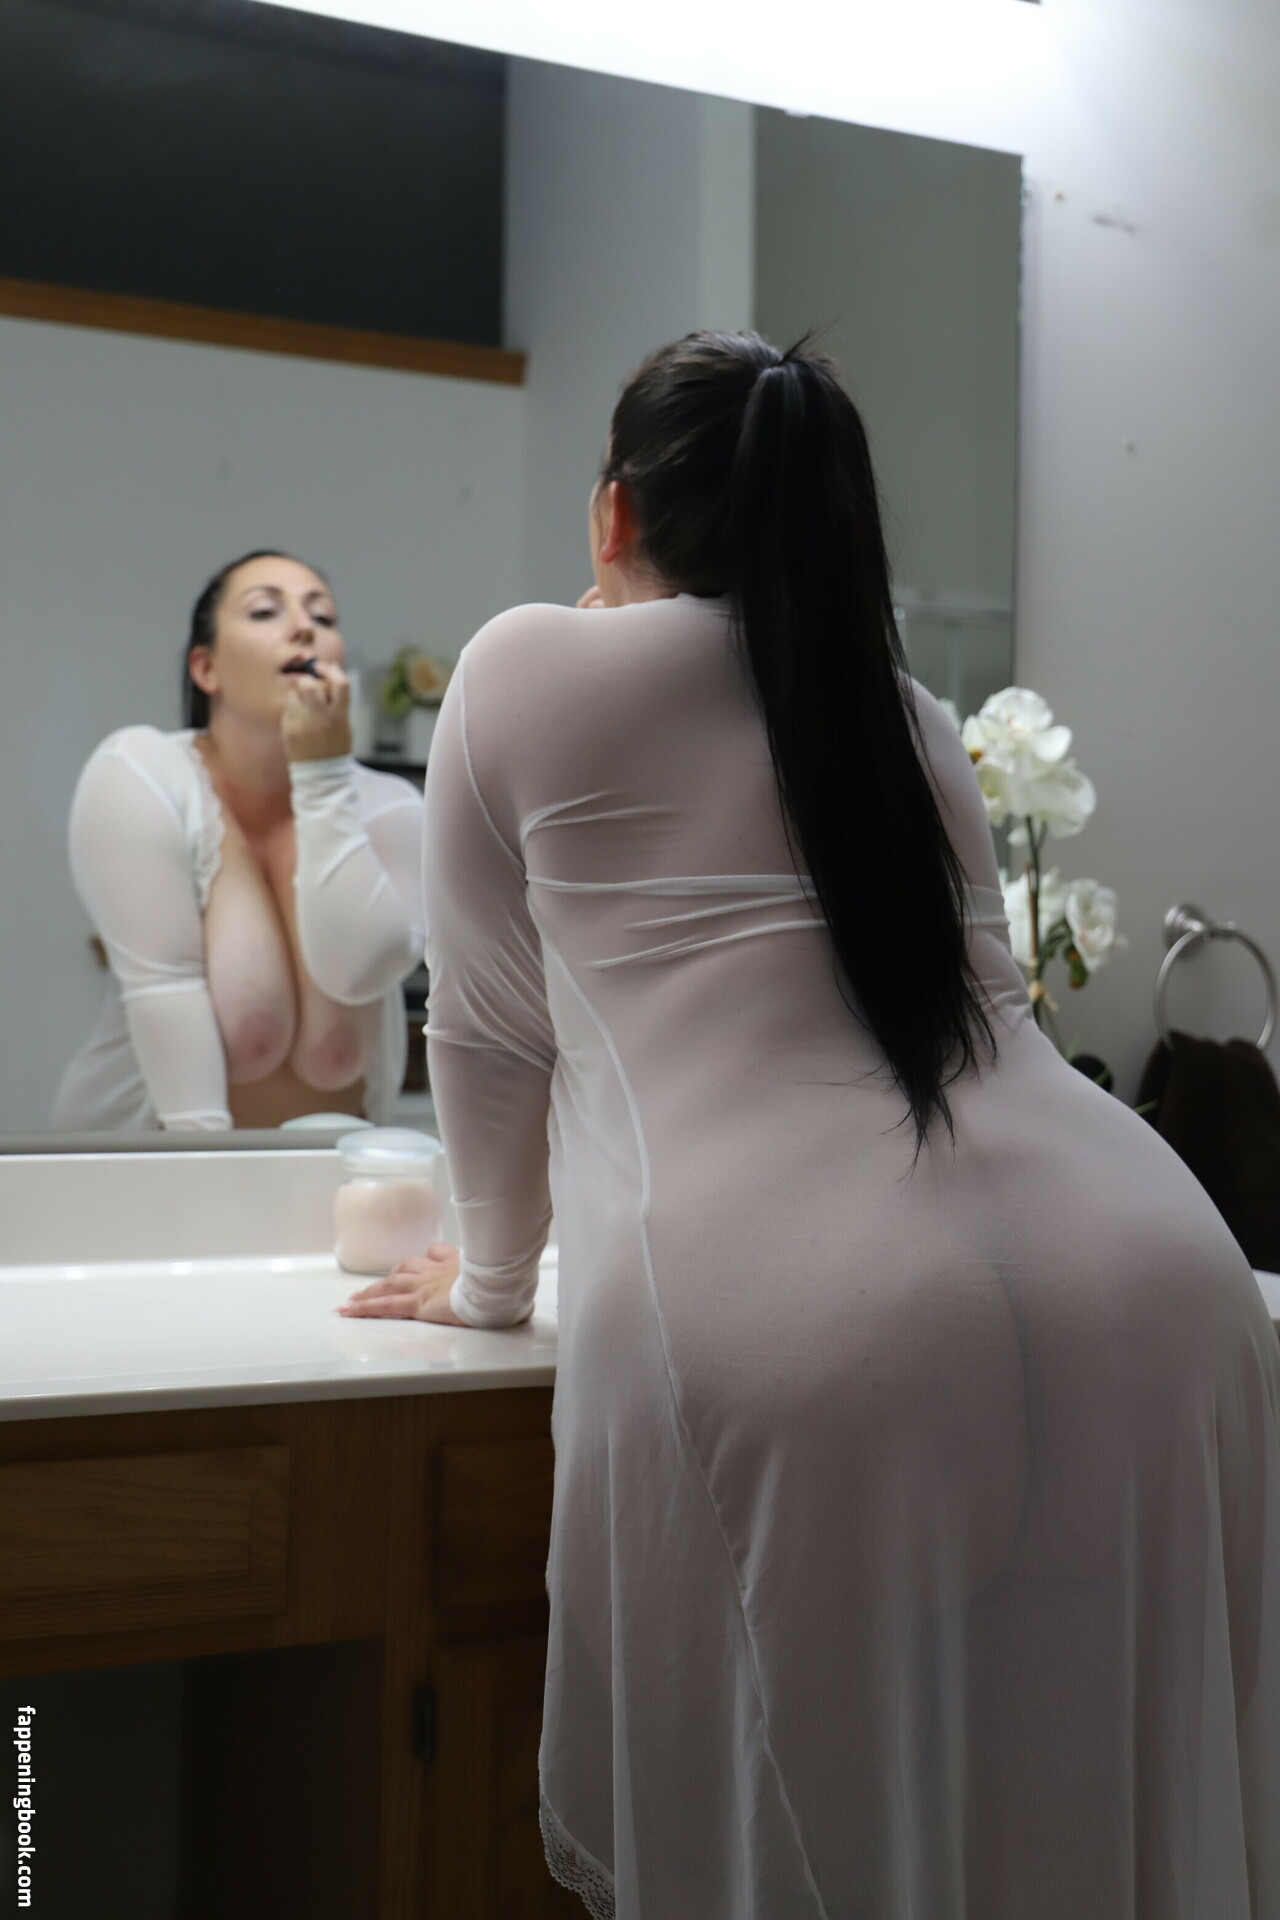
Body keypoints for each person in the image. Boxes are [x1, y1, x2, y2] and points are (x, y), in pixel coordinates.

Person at [341, 333, 1280, 1918]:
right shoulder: (907, 719)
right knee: (1069, 1832)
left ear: (612, 515)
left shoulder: (521, 669)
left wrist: (491, 1286)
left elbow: (489, 1040)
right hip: (1161, 1284)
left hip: (813, 1325)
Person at [55, 551, 424, 1131]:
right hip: (154, 1165)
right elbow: (167, 1006)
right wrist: (212, 1187)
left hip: (331, 1173)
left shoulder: (391, 808)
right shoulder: (139, 773)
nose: (304, 628)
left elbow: (362, 970)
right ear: (206, 669)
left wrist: (323, 775)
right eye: (264, 612)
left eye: (323, 617)